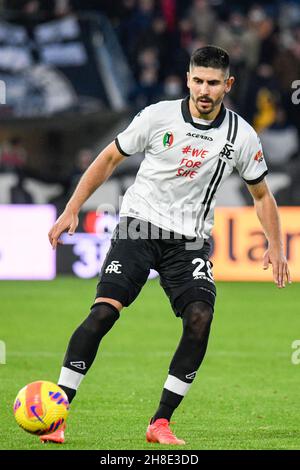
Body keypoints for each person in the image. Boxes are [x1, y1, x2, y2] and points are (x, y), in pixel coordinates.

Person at [45, 46, 291, 445]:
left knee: (200, 317)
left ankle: (160, 422)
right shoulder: (158, 115)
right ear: (188, 78)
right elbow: (108, 158)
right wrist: (72, 208)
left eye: (213, 83)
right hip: (139, 227)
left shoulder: (241, 136)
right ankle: (58, 412)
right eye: (198, 80)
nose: (204, 90)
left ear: (228, 85)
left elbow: (262, 196)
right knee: (104, 314)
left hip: (189, 241)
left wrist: (276, 245)